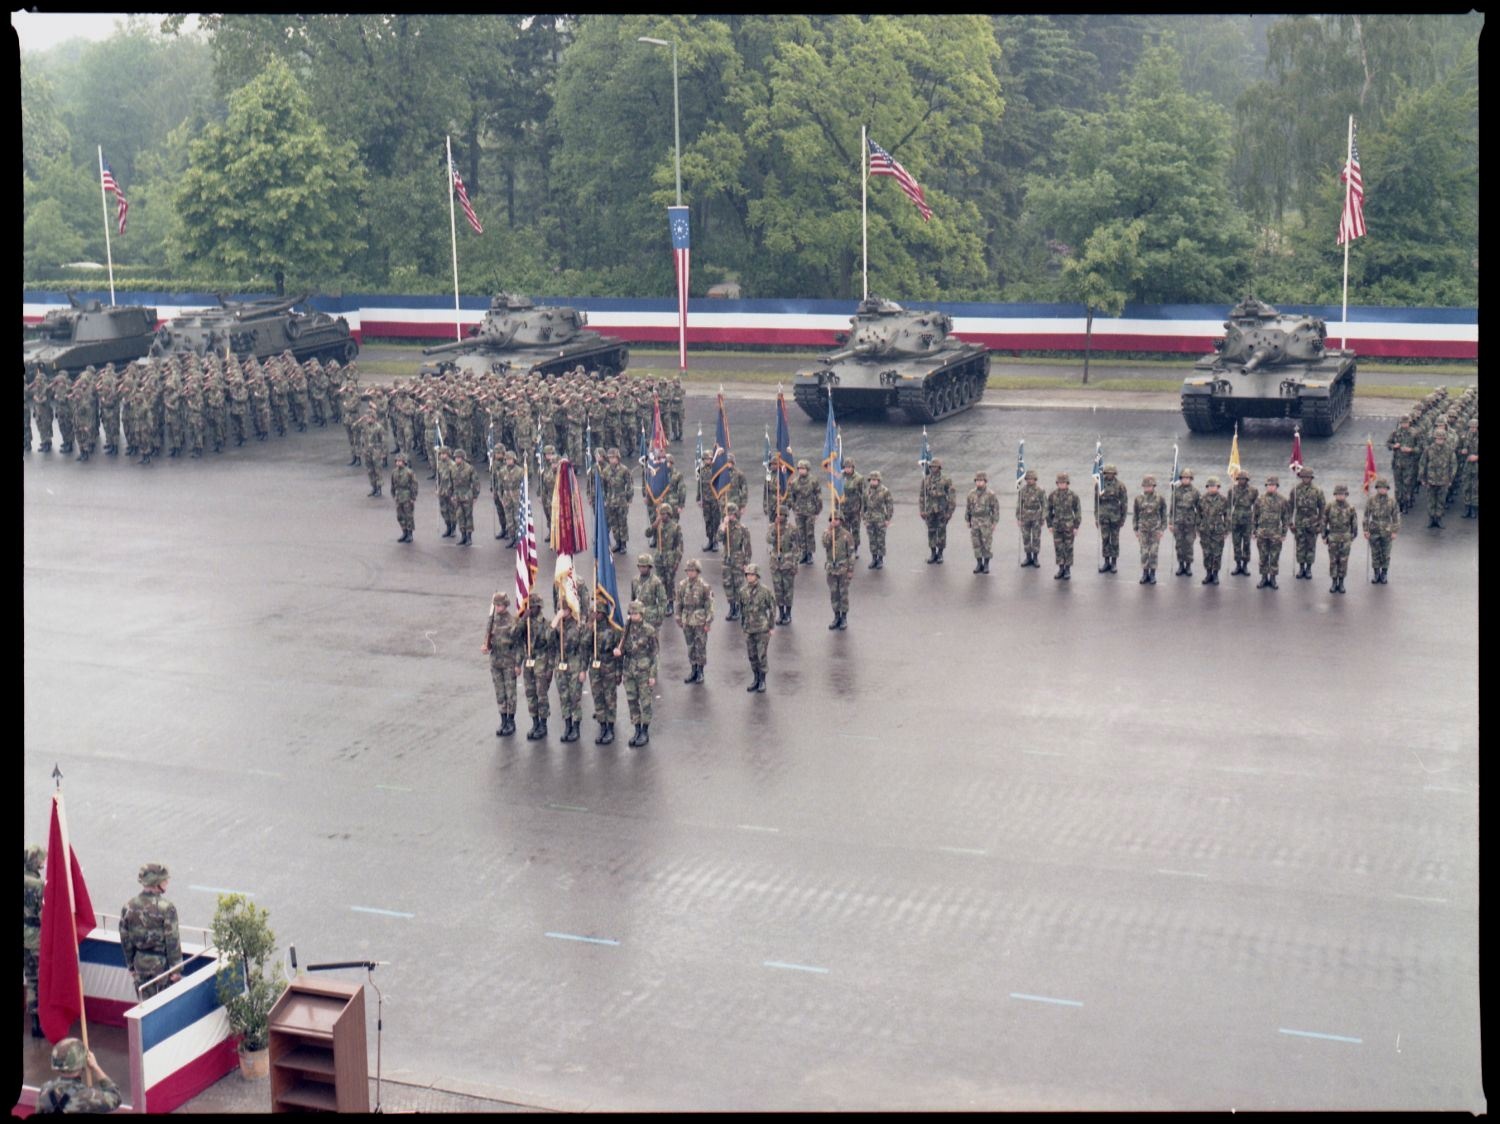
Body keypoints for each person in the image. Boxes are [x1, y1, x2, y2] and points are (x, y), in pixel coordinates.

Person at [120, 863, 182, 999]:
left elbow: (126, 940)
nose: (167, 882)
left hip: (140, 965)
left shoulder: (128, 906)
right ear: (156, 883)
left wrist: (131, 966)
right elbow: (172, 941)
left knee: (144, 1007)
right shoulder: (167, 908)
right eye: (165, 880)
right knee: (163, 1008)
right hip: (161, 968)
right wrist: (176, 970)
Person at [33, 1039, 122, 1114]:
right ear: (82, 1063)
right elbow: (115, 1097)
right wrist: (95, 1067)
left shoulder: (46, 1088)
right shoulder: (87, 1096)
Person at [512, 594, 558, 741]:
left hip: (541, 661)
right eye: (529, 606)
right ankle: (535, 722)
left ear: (539, 607)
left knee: (541, 694)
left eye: (533, 607)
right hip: (529, 661)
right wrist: (523, 619)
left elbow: (552, 647)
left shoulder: (545, 624)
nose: (530, 609)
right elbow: (514, 635)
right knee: (530, 693)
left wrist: (550, 668)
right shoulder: (525, 623)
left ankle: (543, 725)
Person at [616, 600, 659, 747]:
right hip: (629, 670)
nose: (633, 616)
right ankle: (636, 729)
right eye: (631, 613)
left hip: (643, 670)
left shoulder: (648, 630)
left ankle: (645, 731)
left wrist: (653, 675)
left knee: (645, 701)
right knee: (632, 700)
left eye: (636, 613)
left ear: (641, 614)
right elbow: (623, 648)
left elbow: (655, 654)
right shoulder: (627, 629)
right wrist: (619, 652)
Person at [483, 592, 521, 736]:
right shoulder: (492, 620)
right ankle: (503, 719)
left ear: (505, 605)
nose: (497, 607)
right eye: (495, 605)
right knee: (500, 692)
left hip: (508, 662)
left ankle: (511, 721)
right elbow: (488, 638)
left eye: (499, 605)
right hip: (495, 662)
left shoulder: (512, 622)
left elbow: (518, 645)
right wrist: (486, 646)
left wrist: (518, 664)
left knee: (510, 693)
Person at [553, 601, 591, 743]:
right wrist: (557, 620)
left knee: (575, 698)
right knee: (564, 697)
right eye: (559, 609)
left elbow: (584, 649)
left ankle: (576, 727)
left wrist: (583, 670)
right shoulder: (558, 625)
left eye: (563, 609)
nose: (561, 611)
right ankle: (567, 725)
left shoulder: (578, 626)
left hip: (574, 663)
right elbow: (549, 637)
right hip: (560, 664)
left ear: (570, 609)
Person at [589, 598, 624, 744]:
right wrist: (589, 624)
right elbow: (585, 646)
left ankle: (610, 727)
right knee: (598, 696)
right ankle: (602, 725)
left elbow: (619, 654)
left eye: (598, 612)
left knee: (610, 698)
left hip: (609, 665)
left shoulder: (613, 630)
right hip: (595, 667)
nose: (595, 615)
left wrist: (618, 673)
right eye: (594, 612)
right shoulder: (592, 628)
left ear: (604, 613)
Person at [676, 558, 715, 683]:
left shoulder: (704, 586)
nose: (690, 573)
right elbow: (679, 603)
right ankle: (693, 669)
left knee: (700, 646)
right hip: (687, 619)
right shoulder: (682, 585)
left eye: (693, 571)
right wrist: (678, 617)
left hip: (699, 620)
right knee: (690, 646)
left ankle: (700, 671)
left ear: (698, 572)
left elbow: (710, 605)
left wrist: (708, 622)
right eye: (688, 571)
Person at [739, 563, 777, 693]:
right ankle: (755, 678)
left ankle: (762, 680)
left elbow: (772, 608)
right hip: (749, 629)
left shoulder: (765, 591)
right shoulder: (743, 591)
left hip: (762, 628)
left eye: (752, 575)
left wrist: (771, 626)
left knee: (761, 656)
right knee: (752, 656)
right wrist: (743, 625)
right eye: (748, 575)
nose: (749, 577)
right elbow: (742, 609)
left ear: (757, 576)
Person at [1252, 475, 1292, 589]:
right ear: (1266, 486)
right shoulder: (1260, 499)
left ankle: (1273, 579)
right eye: (1269, 485)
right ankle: (1264, 578)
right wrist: (1254, 531)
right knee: (1263, 557)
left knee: (1274, 557)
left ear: (1276, 486)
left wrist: (1284, 533)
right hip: (1262, 533)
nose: (1270, 487)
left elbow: (1285, 518)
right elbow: (1255, 516)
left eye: (1273, 485)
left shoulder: (1282, 500)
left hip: (1275, 534)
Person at [1289, 467, 1326, 578]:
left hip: (1312, 522)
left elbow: (1322, 508)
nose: (1306, 479)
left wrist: (1320, 523)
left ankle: (1308, 569)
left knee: (1311, 546)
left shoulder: (1317, 491)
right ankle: (1301, 568)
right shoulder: (1295, 490)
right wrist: (1290, 522)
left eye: (1308, 477)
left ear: (1311, 478)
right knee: (1300, 546)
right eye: (1304, 477)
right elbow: (1290, 507)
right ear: (1301, 477)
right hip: (1299, 522)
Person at [919, 456, 957, 564]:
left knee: (941, 531)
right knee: (931, 531)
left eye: (935, 467)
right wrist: (922, 510)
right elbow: (922, 495)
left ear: (940, 468)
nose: (933, 469)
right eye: (931, 467)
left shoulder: (946, 480)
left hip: (941, 509)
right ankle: (933, 553)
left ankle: (940, 553)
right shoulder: (926, 479)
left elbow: (951, 496)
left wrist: (950, 512)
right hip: (930, 509)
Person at [1418, 426, 1458, 528]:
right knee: (1431, 500)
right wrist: (1422, 478)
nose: (1439, 440)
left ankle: (1439, 519)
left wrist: (1450, 479)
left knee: (1441, 501)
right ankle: (1431, 519)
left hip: (1444, 480)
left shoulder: (1449, 450)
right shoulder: (1428, 450)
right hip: (1430, 480)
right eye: (1437, 438)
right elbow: (1422, 463)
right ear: (1434, 438)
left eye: (1441, 438)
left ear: (1444, 439)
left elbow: (1453, 465)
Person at [1322, 484, 1359, 593]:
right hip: (1333, 537)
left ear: (1346, 495)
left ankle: (1341, 583)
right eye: (1338, 494)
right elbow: (1324, 521)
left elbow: (1354, 523)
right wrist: (1324, 536)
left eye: (1342, 494)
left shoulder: (1350, 507)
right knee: (1333, 561)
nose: (1340, 496)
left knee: (1343, 561)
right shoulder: (1329, 506)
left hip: (1345, 538)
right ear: (1335, 494)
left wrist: (1352, 536)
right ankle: (1334, 582)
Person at [1045, 472, 1081, 580]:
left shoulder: (1073, 496)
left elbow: (1078, 511)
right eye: (1059, 483)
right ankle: (1061, 568)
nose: (1061, 485)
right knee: (1058, 548)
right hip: (1057, 526)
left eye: (1064, 482)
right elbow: (1048, 510)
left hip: (1069, 526)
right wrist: (1050, 524)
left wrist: (1076, 526)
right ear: (1057, 483)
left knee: (1068, 548)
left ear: (1067, 483)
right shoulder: (1053, 495)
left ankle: (1067, 569)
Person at [1364, 476, 1400, 584]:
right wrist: (1366, 529)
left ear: (1387, 489)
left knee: (1386, 553)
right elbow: (1366, 515)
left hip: (1387, 530)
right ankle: (1376, 573)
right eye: (1379, 488)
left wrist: (1394, 531)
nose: (1382, 490)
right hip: (1374, 529)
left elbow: (1396, 517)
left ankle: (1384, 573)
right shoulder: (1371, 500)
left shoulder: (1392, 502)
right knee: (1375, 553)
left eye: (1384, 488)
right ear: (1377, 488)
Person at [822, 510, 855, 629]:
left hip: (843, 569)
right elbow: (825, 544)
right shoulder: (827, 533)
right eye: (832, 519)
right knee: (834, 594)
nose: (834, 521)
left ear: (841, 521)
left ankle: (844, 617)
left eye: (836, 519)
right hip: (831, 569)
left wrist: (850, 570)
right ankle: (836, 616)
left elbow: (851, 553)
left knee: (843, 594)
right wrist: (830, 532)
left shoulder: (846, 535)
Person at [24, 844, 44, 1037]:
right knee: (40, 980)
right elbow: (43, 914)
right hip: (35, 939)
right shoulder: (36, 885)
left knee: (30, 980)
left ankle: (34, 1023)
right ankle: (42, 1023)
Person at [1196, 476, 1231, 584]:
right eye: (1210, 486)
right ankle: (1208, 573)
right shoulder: (1202, 499)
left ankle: (1215, 574)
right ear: (1207, 487)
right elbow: (1198, 514)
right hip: (1205, 530)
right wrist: (1198, 527)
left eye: (1214, 486)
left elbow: (1227, 516)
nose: (1212, 488)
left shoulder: (1223, 500)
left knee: (1217, 553)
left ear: (1218, 487)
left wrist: (1226, 530)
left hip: (1218, 531)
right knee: (1206, 553)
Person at [1132, 474, 1167, 584]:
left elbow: (1164, 514)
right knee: (1144, 552)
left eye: (1150, 486)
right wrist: (1136, 529)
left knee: (1153, 552)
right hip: (1143, 530)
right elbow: (1135, 514)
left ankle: (1152, 574)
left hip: (1155, 530)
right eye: (1145, 486)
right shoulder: (1138, 498)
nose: (1147, 488)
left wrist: (1162, 529)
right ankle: (1145, 573)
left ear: (1153, 486)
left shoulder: (1160, 498)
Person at [721, 502, 752, 622]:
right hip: (726, 559)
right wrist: (723, 526)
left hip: (738, 558)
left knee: (738, 584)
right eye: (728, 514)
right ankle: (731, 607)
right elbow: (719, 538)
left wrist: (746, 563)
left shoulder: (742, 529)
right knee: (727, 584)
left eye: (732, 514)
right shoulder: (725, 527)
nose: (730, 516)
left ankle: (738, 607)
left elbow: (747, 547)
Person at [788, 459, 823, 564]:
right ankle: (803, 553)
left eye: (803, 469)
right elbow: (791, 496)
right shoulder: (794, 482)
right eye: (799, 469)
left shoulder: (813, 481)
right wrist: (793, 507)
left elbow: (818, 495)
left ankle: (810, 554)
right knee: (800, 533)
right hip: (799, 512)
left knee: (809, 533)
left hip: (810, 511)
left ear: (807, 469)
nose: (801, 471)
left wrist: (817, 511)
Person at [1095, 465, 1128, 573]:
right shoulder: (1100, 485)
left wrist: (1123, 518)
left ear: (1114, 474)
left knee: (1114, 540)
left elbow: (1124, 503)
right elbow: (1097, 503)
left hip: (1115, 518)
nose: (1109, 475)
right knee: (1105, 539)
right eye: (1107, 473)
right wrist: (1096, 517)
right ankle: (1106, 562)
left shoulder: (1120, 486)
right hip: (1104, 517)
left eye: (1111, 473)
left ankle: (1114, 563)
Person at [966, 471, 1000, 573]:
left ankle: (986, 564)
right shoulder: (971, 494)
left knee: (986, 543)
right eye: (977, 480)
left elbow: (995, 509)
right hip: (975, 521)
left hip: (986, 521)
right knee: (976, 543)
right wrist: (968, 520)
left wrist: (994, 522)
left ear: (985, 481)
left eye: (981, 480)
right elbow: (968, 508)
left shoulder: (990, 494)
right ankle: (979, 563)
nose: (979, 482)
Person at [654, 503, 684, 612]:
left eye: (664, 514)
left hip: (670, 559)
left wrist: (677, 562)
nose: (662, 516)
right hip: (659, 559)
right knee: (660, 581)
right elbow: (647, 533)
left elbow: (680, 547)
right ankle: (663, 602)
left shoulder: (675, 527)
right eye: (660, 514)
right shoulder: (659, 525)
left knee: (669, 581)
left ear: (669, 514)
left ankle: (670, 603)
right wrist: (655, 524)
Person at [1227, 470, 1258, 576]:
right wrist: (1228, 517)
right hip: (1236, 519)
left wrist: (1255, 520)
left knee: (1246, 544)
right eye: (1240, 479)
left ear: (1247, 480)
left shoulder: (1253, 491)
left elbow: (1256, 506)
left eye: (1244, 479)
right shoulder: (1232, 490)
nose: (1241, 481)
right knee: (1236, 544)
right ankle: (1238, 565)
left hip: (1247, 519)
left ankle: (1245, 565)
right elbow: (1228, 506)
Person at [1170, 468, 1201, 577]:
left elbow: (1199, 509)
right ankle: (1180, 564)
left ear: (1191, 479)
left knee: (1188, 544)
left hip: (1190, 522)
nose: (1185, 480)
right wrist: (1171, 522)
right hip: (1178, 521)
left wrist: (1198, 525)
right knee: (1179, 544)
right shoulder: (1176, 490)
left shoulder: (1195, 492)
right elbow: (1172, 507)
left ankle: (1188, 565)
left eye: (1187, 478)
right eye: (1183, 478)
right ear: (1181, 479)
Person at [603, 448, 633, 554]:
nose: (612, 460)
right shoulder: (606, 471)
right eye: (610, 458)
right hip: (611, 501)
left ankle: (623, 544)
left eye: (613, 457)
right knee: (614, 524)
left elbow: (629, 485)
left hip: (621, 500)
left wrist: (629, 498)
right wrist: (605, 498)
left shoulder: (624, 470)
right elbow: (604, 486)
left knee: (622, 523)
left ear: (618, 458)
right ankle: (618, 543)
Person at [862, 469, 893, 569]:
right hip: (870, 519)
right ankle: (874, 558)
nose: (873, 481)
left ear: (879, 480)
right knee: (872, 540)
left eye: (875, 480)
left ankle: (880, 559)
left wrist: (888, 518)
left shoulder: (884, 491)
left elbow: (889, 505)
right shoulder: (866, 491)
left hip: (880, 519)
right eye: (871, 480)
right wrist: (864, 519)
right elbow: (863, 506)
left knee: (880, 540)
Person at [1016, 468, 1047, 568]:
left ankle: (1035, 557)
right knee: (1026, 537)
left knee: (1036, 537)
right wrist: (1019, 517)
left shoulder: (1040, 490)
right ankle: (1028, 557)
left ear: (1035, 479)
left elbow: (1044, 504)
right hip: (1025, 516)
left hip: (1036, 516)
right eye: (1027, 478)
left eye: (1031, 478)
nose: (1029, 480)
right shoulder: (1023, 490)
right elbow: (1019, 504)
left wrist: (1043, 518)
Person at [452, 448, 479, 546]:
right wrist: (451, 494)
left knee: (468, 516)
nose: (457, 460)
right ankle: (462, 535)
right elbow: (451, 482)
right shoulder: (453, 468)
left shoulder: (469, 468)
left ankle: (469, 537)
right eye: (456, 458)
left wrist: (475, 495)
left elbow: (475, 482)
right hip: (457, 495)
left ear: (463, 458)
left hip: (467, 494)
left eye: (459, 458)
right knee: (459, 516)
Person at [841, 459, 866, 557]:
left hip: (855, 509)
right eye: (846, 467)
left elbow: (863, 494)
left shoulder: (859, 478)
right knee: (845, 530)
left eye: (849, 467)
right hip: (843, 509)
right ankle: (847, 549)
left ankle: (855, 549)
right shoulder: (840, 477)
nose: (847, 469)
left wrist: (863, 509)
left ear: (853, 467)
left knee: (855, 530)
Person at [391, 454, 418, 543]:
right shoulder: (394, 472)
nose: (398, 463)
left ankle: (410, 533)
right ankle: (404, 531)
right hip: (399, 496)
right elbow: (393, 485)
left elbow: (414, 485)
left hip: (407, 496)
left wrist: (413, 497)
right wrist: (393, 495)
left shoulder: (409, 472)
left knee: (408, 516)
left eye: (400, 461)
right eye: (397, 461)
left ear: (404, 462)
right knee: (400, 515)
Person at [698, 450, 721, 551]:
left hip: (715, 499)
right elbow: (700, 486)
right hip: (706, 500)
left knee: (715, 521)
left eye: (709, 459)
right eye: (705, 459)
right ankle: (710, 540)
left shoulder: (716, 470)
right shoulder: (702, 471)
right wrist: (699, 498)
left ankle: (716, 541)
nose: (707, 460)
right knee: (707, 521)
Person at [1459, 417, 1478, 519]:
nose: (1473, 429)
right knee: (1466, 486)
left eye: (1474, 427)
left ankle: (1474, 508)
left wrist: (1477, 457)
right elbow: (1459, 448)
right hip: (1467, 465)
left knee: (1475, 488)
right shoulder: (1465, 436)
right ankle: (1467, 507)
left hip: (1476, 466)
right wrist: (1463, 450)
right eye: (1471, 427)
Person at [436, 446, 456, 538]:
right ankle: (448, 527)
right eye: (441, 454)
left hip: (450, 491)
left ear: (448, 455)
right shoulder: (439, 464)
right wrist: (437, 488)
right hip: (442, 490)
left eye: (444, 454)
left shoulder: (452, 465)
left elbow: (455, 480)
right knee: (444, 510)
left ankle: (453, 528)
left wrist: (454, 493)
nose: (442, 456)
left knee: (452, 510)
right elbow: (438, 478)